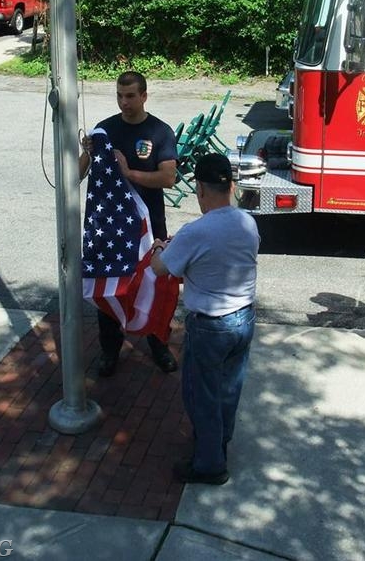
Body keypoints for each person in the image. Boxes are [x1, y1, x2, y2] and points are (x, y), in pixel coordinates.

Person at [150, 153, 259, 485]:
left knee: (202, 396)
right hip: (244, 319)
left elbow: (160, 269)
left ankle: (210, 464)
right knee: (228, 389)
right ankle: (219, 443)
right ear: (231, 186)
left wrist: (159, 248)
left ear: (199, 188)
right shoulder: (247, 222)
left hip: (211, 326)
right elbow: (223, 260)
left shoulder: (195, 231)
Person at [79, 71, 178, 376]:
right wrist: (87, 152)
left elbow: (169, 178)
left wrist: (128, 172)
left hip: (150, 230)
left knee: (155, 288)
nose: (125, 102)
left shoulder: (160, 132)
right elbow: (78, 175)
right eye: (120, 96)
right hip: (112, 231)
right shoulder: (105, 129)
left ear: (144, 96)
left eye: (131, 96)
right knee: (111, 289)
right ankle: (110, 352)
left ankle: (159, 346)